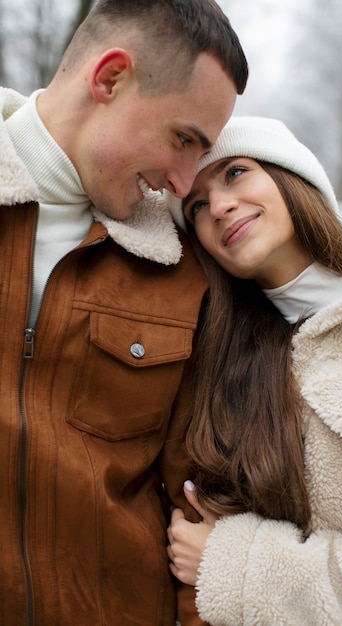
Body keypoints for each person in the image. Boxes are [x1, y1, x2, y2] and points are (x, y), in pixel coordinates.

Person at [0, 0, 248, 623]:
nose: (188, 181)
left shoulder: (181, 271)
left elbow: (201, 517)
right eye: (183, 138)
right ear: (109, 79)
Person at [166, 116, 342, 625]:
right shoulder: (219, 361)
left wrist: (234, 564)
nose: (218, 206)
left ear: (291, 177)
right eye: (195, 205)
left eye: (235, 173)